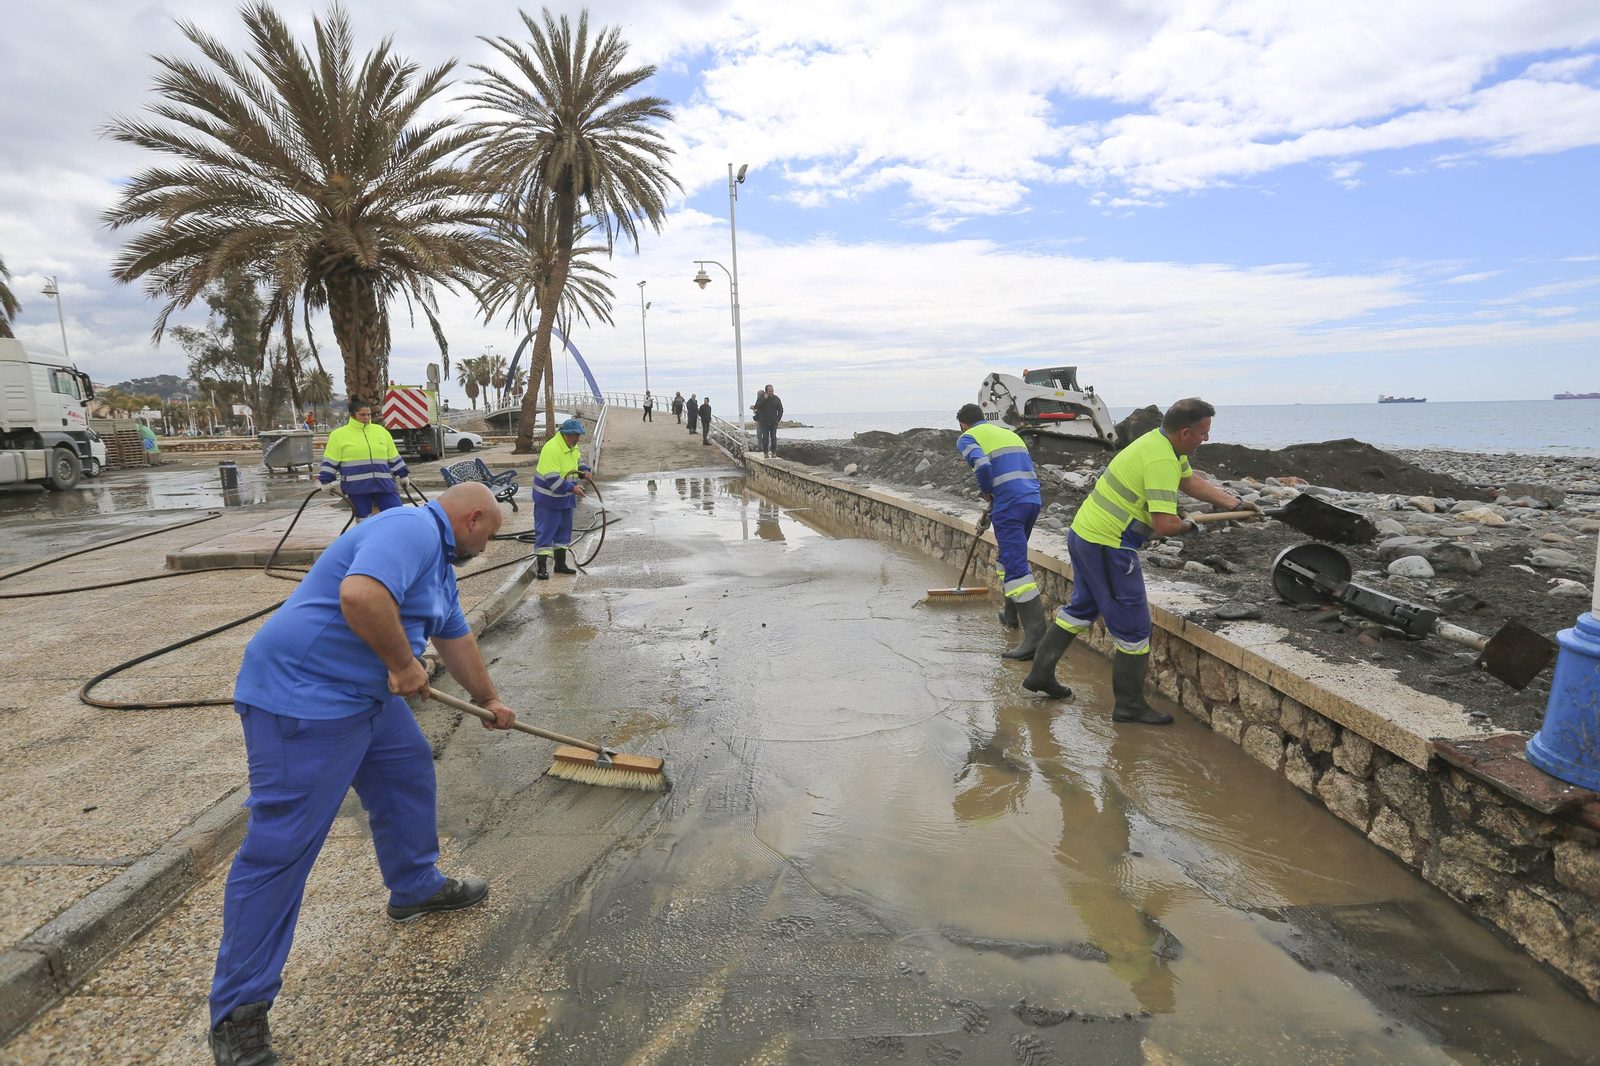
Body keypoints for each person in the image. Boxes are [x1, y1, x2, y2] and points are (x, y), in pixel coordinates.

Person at [207, 483, 517, 1066]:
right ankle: (238, 1015)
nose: (489, 546)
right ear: (472, 519)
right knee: (281, 849)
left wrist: (490, 697)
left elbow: (454, 635)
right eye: (490, 535)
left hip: (365, 700)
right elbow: (360, 595)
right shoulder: (409, 529)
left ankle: (415, 886)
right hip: (303, 701)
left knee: (406, 777)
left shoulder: (442, 567)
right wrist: (401, 664)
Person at [1023, 398, 1259, 723]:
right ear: (1186, 431)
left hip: (1086, 534)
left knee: (1082, 608)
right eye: (1204, 432)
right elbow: (1165, 525)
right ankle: (1129, 705)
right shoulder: (1161, 458)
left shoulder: (1161, 443)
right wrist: (1188, 526)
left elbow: (1190, 482)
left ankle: (1040, 675)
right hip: (1109, 545)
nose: (1206, 438)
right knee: (1134, 629)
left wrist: (1234, 503)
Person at [955, 403, 1046, 663]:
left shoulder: (967, 437)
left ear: (962, 424)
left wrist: (986, 492)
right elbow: (1014, 473)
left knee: (1017, 568)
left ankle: (1036, 638)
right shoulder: (1010, 434)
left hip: (1010, 506)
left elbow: (983, 468)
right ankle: (1010, 615)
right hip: (1031, 501)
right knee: (1007, 560)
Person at [316, 398, 409, 518]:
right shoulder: (338, 435)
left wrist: (403, 475)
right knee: (363, 520)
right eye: (362, 415)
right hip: (357, 488)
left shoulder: (381, 431)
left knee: (397, 515)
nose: (366, 417)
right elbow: (331, 460)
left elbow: (393, 456)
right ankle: (366, 536)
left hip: (384, 485)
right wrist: (325, 481)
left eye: (369, 414)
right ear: (351, 415)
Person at [532, 417, 591, 581]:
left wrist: (584, 469)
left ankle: (560, 564)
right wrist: (572, 488)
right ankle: (542, 568)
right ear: (566, 434)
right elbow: (551, 478)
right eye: (576, 435)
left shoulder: (571, 445)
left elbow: (577, 459)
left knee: (564, 532)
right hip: (548, 500)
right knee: (546, 532)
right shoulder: (552, 449)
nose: (578, 439)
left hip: (565, 499)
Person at [754, 384, 783, 457]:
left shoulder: (776, 399)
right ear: (766, 391)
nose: (771, 392)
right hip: (764, 422)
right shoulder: (761, 398)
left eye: (772, 391)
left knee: (773, 437)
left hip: (773, 422)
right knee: (765, 438)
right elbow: (757, 406)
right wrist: (764, 399)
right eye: (770, 391)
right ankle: (765, 453)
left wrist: (778, 419)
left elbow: (780, 410)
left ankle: (774, 452)